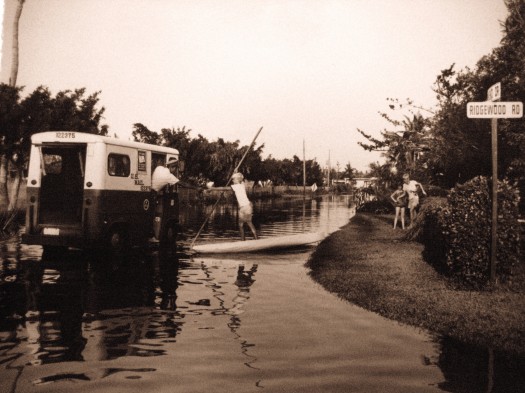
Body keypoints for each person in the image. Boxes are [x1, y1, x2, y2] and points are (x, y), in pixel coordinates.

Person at [231, 172, 258, 241]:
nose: (232, 180)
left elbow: (224, 188)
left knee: (244, 224)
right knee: (246, 224)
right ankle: (251, 239)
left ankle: (247, 240)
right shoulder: (242, 185)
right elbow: (241, 178)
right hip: (245, 207)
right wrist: (235, 172)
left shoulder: (236, 186)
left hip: (245, 207)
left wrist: (211, 189)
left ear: (238, 180)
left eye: (234, 179)